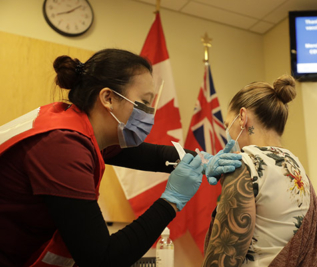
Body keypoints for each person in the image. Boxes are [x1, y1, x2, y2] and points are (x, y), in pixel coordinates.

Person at [0, 48, 242, 267]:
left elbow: (150, 155)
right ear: (108, 98)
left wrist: (203, 160)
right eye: (144, 102)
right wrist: (171, 201)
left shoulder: (72, 124)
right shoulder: (63, 144)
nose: (149, 112)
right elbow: (103, 258)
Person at [202, 75, 317, 267]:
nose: (227, 134)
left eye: (228, 125)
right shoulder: (300, 172)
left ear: (242, 117)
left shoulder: (244, 165)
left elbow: (221, 260)